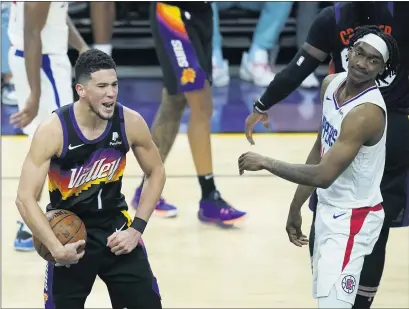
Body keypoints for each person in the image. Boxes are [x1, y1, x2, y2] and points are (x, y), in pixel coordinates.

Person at [244, 2, 409, 307]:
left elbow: (322, 173)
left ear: (382, 66)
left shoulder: (399, 13)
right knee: (327, 226)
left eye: (372, 59)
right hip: (339, 178)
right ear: (350, 52)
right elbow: (318, 153)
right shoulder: (332, 85)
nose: (361, 62)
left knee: (374, 231)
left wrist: (266, 160)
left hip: (386, 131)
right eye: (358, 53)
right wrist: (296, 205)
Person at [15, 49, 164, 309]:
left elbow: (156, 172)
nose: (111, 93)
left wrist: (136, 229)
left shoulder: (129, 122)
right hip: (68, 238)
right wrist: (55, 248)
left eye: (114, 85)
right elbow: (25, 199)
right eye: (102, 86)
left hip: (117, 233)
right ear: (81, 90)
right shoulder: (53, 130)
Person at [133, 1, 246, 226]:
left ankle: (146, 190)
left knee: (175, 100)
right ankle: (208, 196)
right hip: (174, 14)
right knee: (202, 104)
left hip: (202, 12)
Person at [8, 1, 89, 251]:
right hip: (41, 62)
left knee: (48, 143)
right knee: (58, 141)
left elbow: (55, 15)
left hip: (40, 59)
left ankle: (32, 221)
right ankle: (31, 222)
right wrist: (34, 95)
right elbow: (32, 33)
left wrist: (82, 47)